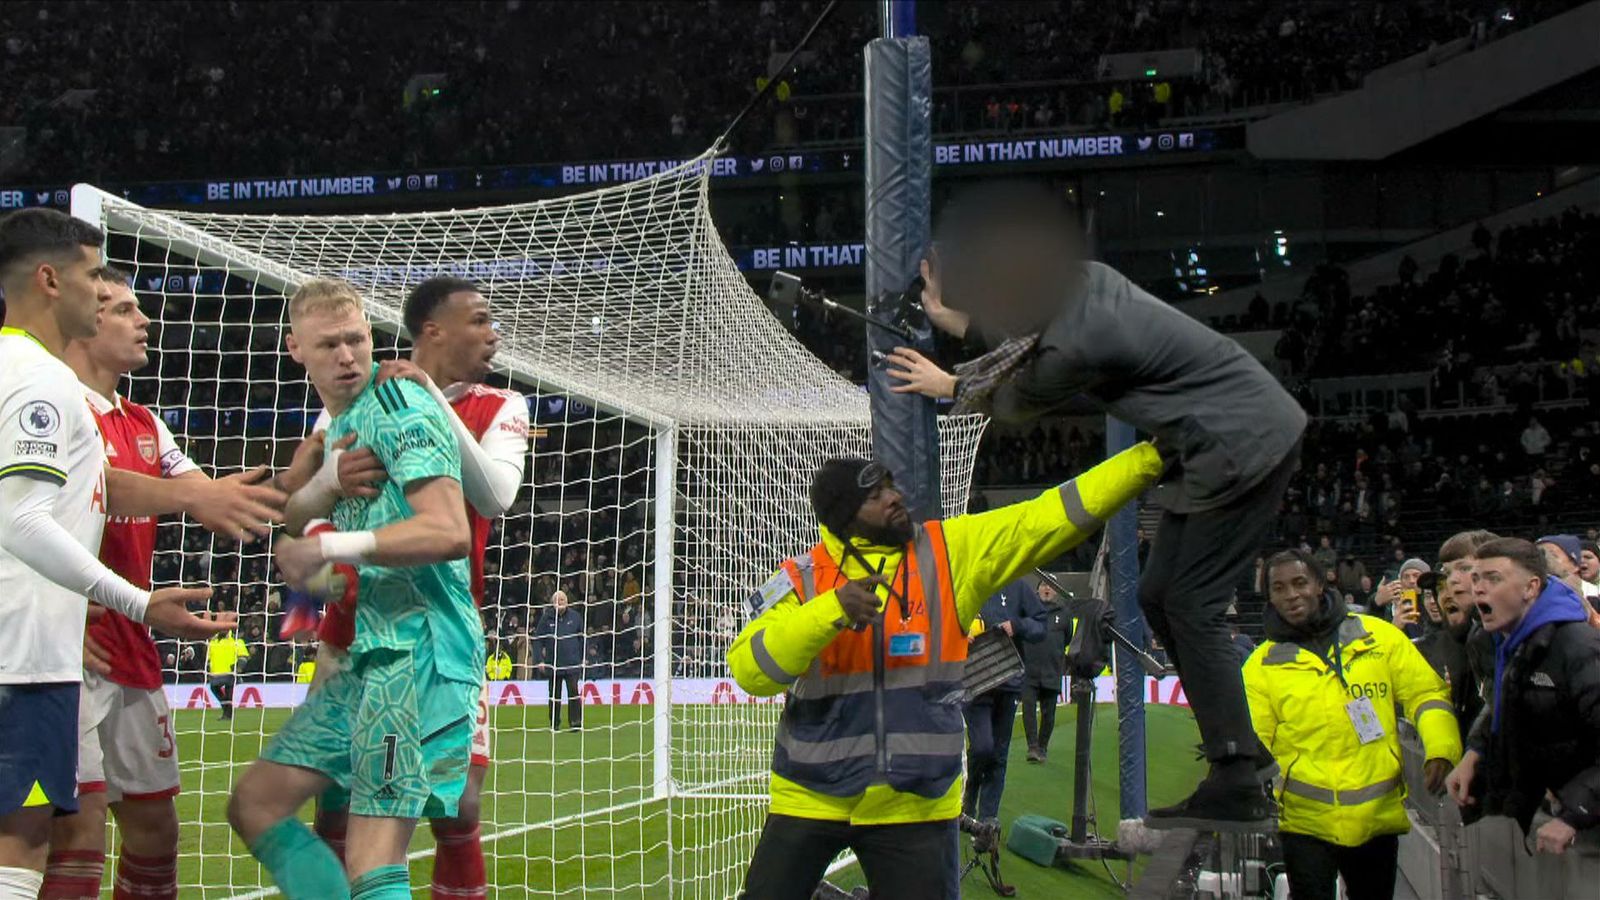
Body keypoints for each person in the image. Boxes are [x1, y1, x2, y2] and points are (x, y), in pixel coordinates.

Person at [887, 183, 1305, 827]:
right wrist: (955, 322)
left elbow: (1021, 393)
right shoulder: (1086, 282)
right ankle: (1238, 762)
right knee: (1163, 595)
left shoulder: (1078, 343)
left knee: (1186, 603)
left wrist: (952, 383)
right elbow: (1025, 338)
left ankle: (1238, 773)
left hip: (1240, 444)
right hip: (1224, 440)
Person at [728, 440, 1163, 899]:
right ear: (842, 515)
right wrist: (829, 611)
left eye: (892, 486)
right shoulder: (801, 577)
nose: (894, 497)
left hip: (916, 808)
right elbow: (750, 671)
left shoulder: (948, 551)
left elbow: (1047, 515)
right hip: (809, 798)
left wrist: (1149, 459)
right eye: (875, 495)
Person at [0, 208, 256, 899]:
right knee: (34, 839)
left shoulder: (129, 414)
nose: (137, 315)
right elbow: (23, 518)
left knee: (51, 834)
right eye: (97, 283)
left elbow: (210, 497)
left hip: (73, 647)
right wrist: (134, 599)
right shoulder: (44, 384)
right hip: (37, 651)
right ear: (52, 280)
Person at [226, 278, 482, 900]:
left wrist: (329, 547)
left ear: (373, 339)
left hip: (415, 655)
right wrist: (320, 510)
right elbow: (296, 516)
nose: (346, 356)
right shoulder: (335, 427)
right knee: (255, 806)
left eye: (356, 340)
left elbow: (450, 531)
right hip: (359, 657)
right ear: (296, 350)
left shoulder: (398, 405)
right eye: (329, 344)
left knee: (373, 856)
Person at [310, 276, 527, 898]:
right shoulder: (354, 399)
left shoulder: (502, 405)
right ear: (434, 330)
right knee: (336, 797)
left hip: (441, 628)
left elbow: (495, 496)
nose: (494, 334)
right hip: (353, 627)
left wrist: (428, 395)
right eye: (481, 320)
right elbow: (311, 503)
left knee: (456, 802)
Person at [1244, 550, 1460, 900]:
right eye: (1279, 587)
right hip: (1304, 823)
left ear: (1320, 583)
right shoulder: (1260, 666)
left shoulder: (1381, 638)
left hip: (1377, 819)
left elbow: (1427, 694)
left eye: (1299, 583)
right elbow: (1255, 738)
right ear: (1268, 596)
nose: (1291, 594)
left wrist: (1441, 748)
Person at [1445, 538, 1600, 858]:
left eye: (1493, 578)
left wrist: (1575, 814)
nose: (1479, 589)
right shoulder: (1514, 642)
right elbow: (1509, 706)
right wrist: (1475, 752)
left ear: (1531, 587)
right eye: (1476, 579)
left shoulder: (1579, 648)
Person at [962, 579, 1047, 835]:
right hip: (975, 683)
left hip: (1008, 681)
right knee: (982, 747)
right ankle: (969, 795)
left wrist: (1017, 625)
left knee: (999, 752)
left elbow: (1040, 625)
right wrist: (958, 633)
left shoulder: (1018, 587)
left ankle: (989, 816)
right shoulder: (970, 582)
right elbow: (944, 616)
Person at [1413, 530, 1497, 747]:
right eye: (1442, 583)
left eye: (1464, 569)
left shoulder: (1516, 640)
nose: (1450, 587)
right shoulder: (1451, 647)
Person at [1020, 579, 1070, 763]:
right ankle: (1032, 747)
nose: (1047, 589)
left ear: (1056, 591)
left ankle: (1042, 747)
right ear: (1037, 589)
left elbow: (1067, 638)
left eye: (1050, 586)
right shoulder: (1027, 610)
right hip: (1029, 669)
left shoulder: (1064, 613)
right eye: (1043, 585)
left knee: (1049, 713)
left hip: (1052, 669)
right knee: (1028, 709)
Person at [534, 590, 586, 730]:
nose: (560, 602)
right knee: (554, 695)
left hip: (572, 663)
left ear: (567, 601)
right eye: (557, 600)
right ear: (552, 603)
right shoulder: (546, 618)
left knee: (574, 693)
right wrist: (539, 660)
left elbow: (582, 639)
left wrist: (583, 657)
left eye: (562, 599)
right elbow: (538, 640)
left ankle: (575, 723)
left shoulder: (575, 617)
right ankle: (554, 723)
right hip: (554, 664)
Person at [1537, 534, 1600, 606]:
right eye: (1538, 554)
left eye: (1553, 555)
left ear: (1574, 563)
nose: (1544, 559)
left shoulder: (1592, 594)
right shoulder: (1531, 591)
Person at [206, 630, 249, 721]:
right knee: (215, 689)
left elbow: (243, 656)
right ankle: (227, 711)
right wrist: (209, 670)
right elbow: (209, 658)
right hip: (216, 672)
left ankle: (227, 714)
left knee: (228, 694)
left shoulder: (235, 640)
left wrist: (238, 668)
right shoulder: (213, 642)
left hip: (230, 672)